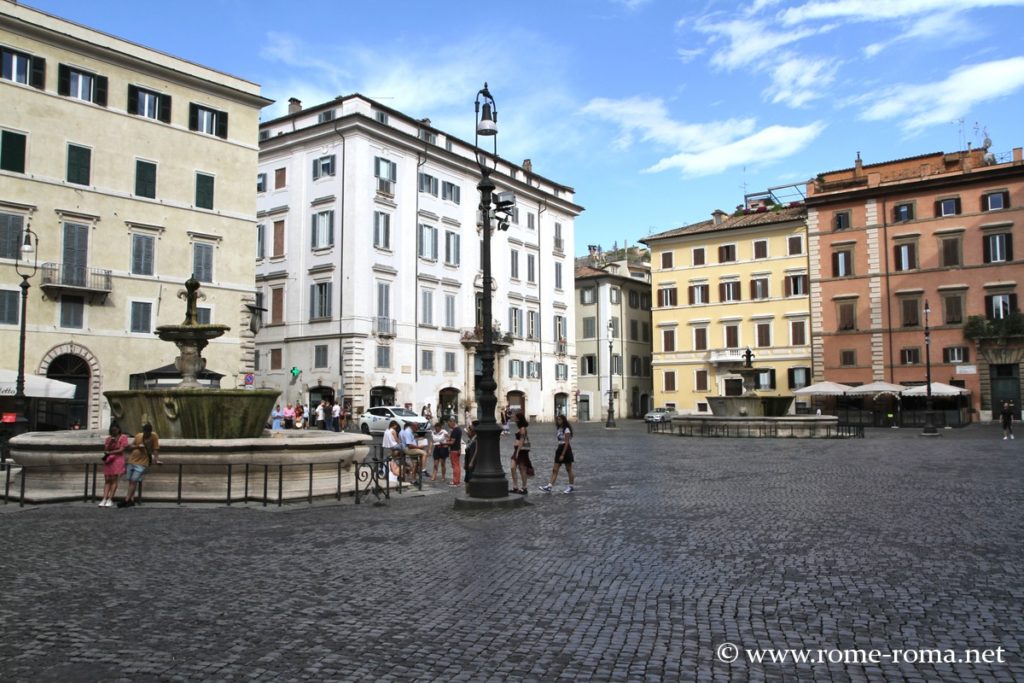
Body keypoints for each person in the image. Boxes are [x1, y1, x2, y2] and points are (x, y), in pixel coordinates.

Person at [118, 423, 160, 508]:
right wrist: (137, 446)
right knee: (131, 481)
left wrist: (156, 459)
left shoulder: (154, 436)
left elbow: (155, 448)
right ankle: (132, 500)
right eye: (145, 432)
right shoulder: (138, 436)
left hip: (142, 462)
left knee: (133, 480)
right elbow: (130, 447)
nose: (146, 434)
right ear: (143, 431)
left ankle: (126, 500)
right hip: (132, 460)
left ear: (150, 432)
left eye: (148, 433)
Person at [541, 414, 575, 494]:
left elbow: (567, 443)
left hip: (566, 449)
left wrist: (563, 454)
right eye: (557, 420)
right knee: (555, 469)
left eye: (560, 419)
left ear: (563, 420)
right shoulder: (559, 429)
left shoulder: (566, 430)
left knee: (568, 469)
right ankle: (549, 486)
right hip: (559, 448)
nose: (558, 421)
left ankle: (571, 486)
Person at [99, 422, 128, 507]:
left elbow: (121, 450)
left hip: (117, 460)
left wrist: (110, 451)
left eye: (115, 430)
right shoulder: (108, 439)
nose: (114, 432)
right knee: (107, 480)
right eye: (112, 431)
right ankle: (104, 498)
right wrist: (111, 442)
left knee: (114, 480)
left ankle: (110, 499)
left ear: (118, 429)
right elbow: (106, 449)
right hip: (109, 460)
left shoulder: (123, 438)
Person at [510, 413, 533, 495]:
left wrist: (518, 451)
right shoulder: (520, 428)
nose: (514, 419)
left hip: (521, 450)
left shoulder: (523, 429)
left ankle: (524, 487)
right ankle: (515, 487)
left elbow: (522, 440)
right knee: (513, 467)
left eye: (516, 418)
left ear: (519, 419)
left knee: (522, 469)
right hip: (517, 450)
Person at [447, 417, 463, 487]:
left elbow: (452, 442)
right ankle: (456, 480)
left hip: (454, 450)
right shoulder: (458, 429)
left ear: (452, 422)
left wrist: (444, 443)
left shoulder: (455, 430)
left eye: (449, 424)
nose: (448, 425)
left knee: (455, 466)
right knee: (456, 465)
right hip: (457, 449)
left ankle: (456, 482)